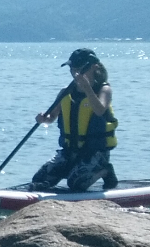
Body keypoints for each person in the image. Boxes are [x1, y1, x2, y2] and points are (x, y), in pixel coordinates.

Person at [30, 47, 119, 192]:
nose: (75, 73)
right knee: (39, 179)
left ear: (93, 67)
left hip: (96, 152)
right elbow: (51, 117)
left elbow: (99, 110)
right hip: (69, 151)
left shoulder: (103, 90)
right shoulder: (65, 92)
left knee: (76, 184)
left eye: (79, 69)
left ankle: (105, 170)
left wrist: (87, 89)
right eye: (72, 69)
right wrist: (43, 118)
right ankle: (71, 169)